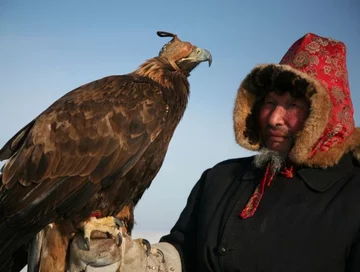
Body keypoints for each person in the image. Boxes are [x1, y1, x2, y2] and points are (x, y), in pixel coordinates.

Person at [69, 32, 360, 271]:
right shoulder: (222, 178)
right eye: (270, 102)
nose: (273, 118)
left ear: (325, 115)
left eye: (293, 106)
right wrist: (133, 262)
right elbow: (182, 252)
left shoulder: (352, 193)